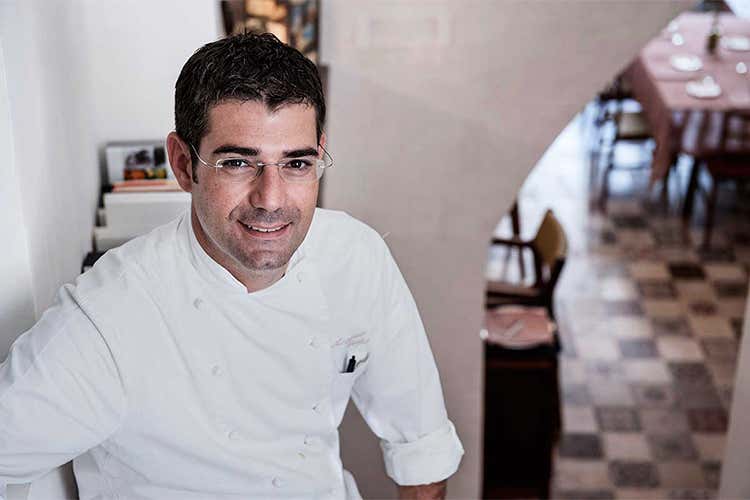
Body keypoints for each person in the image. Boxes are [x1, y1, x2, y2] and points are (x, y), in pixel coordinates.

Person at [0, 33, 463, 499]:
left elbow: (421, 445)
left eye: (296, 164)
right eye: (238, 163)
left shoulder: (355, 255)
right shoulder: (109, 317)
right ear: (184, 164)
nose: (271, 200)